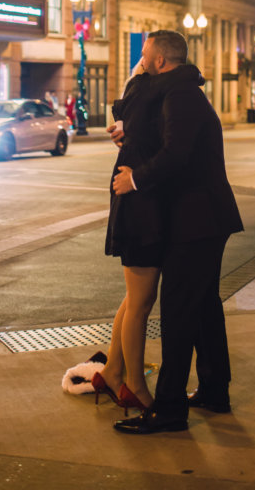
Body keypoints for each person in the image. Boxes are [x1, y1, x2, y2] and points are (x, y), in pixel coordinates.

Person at [111, 29, 243, 435]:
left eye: (145, 55)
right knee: (202, 307)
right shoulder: (178, 89)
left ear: (162, 61)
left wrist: (135, 180)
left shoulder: (181, 94)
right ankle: (214, 390)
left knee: (179, 315)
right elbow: (141, 115)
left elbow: (176, 154)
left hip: (196, 221)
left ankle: (168, 410)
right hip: (200, 218)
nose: (141, 60)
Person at [92, 59, 169, 413]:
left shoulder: (137, 114)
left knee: (137, 297)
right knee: (140, 302)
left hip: (140, 206)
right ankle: (134, 387)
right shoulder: (142, 100)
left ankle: (112, 371)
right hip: (138, 208)